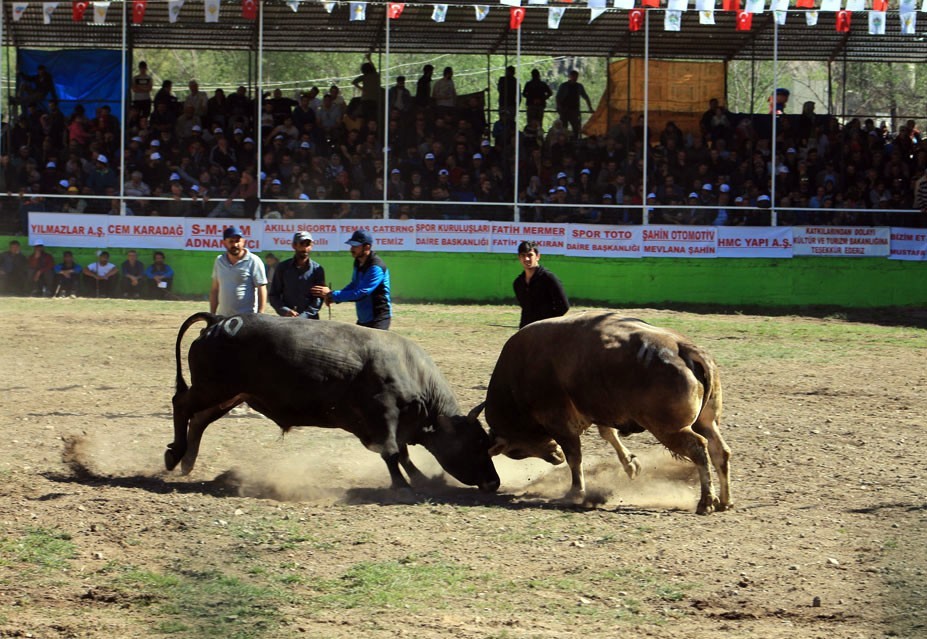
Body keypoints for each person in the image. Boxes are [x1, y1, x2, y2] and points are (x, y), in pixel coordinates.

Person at [311, 229, 391, 330]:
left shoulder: (376, 267)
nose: (351, 249)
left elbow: (361, 293)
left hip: (378, 318)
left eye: (355, 246)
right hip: (364, 318)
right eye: (351, 245)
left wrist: (332, 294)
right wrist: (333, 297)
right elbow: (354, 284)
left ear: (367, 247)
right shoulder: (358, 261)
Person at [210, 225, 267, 315]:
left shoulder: (254, 261)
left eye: (237, 241)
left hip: (246, 319)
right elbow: (214, 290)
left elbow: (262, 288)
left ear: (243, 242)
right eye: (231, 241)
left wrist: (260, 314)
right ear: (224, 243)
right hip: (223, 318)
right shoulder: (219, 261)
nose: (235, 245)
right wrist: (212, 315)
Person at [269, 231, 326, 319]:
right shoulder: (283, 268)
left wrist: (305, 315)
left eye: (308, 244)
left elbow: (318, 298)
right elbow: (274, 295)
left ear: (312, 246)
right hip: (288, 319)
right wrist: (284, 310)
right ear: (294, 245)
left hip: (311, 322)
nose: (305, 248)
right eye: (302, 243)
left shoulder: (317, 270)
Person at [513, 240, 569, 329]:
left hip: (546, 330)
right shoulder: (518, 283)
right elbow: (525, 308)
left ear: (537, 256)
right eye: (523, 255)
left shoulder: (549, 278)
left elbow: (564, 307)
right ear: (519, 258)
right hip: (526, 330)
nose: (526, 259)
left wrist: (548, 323)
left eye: (530, 255)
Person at [555, 69, 593, 140]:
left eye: (576, 76)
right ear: (570, 76)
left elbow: (585, 96)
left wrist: (590, 107)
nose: (575, 78)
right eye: (573, 76)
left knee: (576, 128)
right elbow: (558, 97)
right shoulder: (564, 86)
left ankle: (575, 141)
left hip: (574, 110)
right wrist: (559, 107)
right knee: (564, 128)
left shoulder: (579, 86)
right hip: (564, 110)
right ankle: (564, 141)